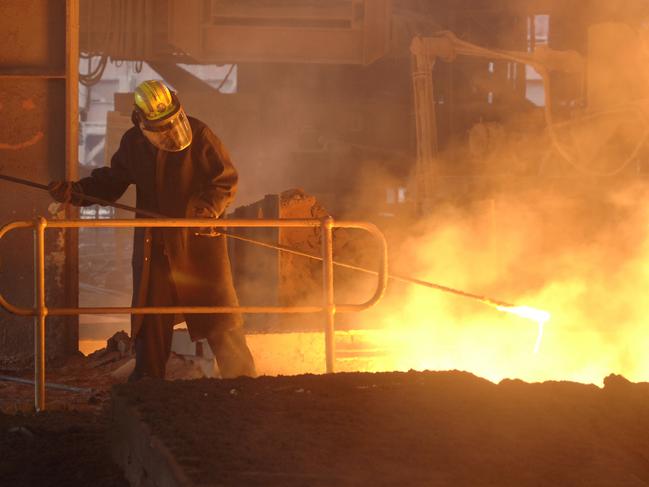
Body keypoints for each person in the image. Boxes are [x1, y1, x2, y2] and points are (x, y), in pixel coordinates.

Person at [49, 80, 256, 380]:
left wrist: (206, 208)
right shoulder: (134, 144)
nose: (169, 132)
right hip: (155, 250)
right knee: (151, 322)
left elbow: (225, 179)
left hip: (196, 245)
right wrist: (75, 192)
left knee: (218, 316)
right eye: (159, 126)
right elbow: (110, 182)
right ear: (141, 120)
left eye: (171, 122)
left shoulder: (199, 135)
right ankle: (149, 388)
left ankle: (245, 384)